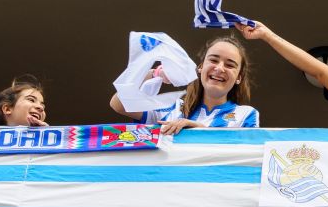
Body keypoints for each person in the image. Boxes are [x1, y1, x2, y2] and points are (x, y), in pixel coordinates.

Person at [109, 36, 258, 135]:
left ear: (239, 77)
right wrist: (154, 73)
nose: (219, 68)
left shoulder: (246, 115)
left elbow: (248, 153)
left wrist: (199, 131)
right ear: (200, 68)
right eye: (213, 60)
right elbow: (118, 103)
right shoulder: (172, 108)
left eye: (230, 64)